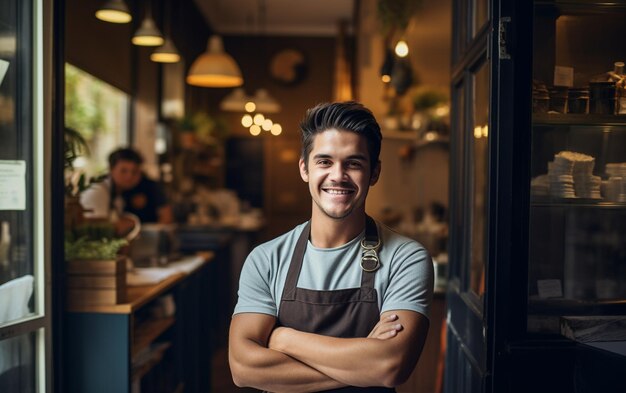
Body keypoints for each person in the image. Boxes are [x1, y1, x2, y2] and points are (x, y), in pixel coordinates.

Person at [229, 101, 434, 392]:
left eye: (354, 163)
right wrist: (364, 364)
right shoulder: (266, 259)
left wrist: (283, 339)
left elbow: (391, 366)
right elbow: (243, 368)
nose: (338, 175)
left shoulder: (406, 258)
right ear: (305, 169)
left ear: (374, 172)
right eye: (324, 161)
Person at [80, 148, 173, 236]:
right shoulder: (98, 191)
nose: (129, 177)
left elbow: (166, 217)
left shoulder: (120, 193)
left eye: (134, 172)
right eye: (123, 171)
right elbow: (98, 230)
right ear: (111, 170)